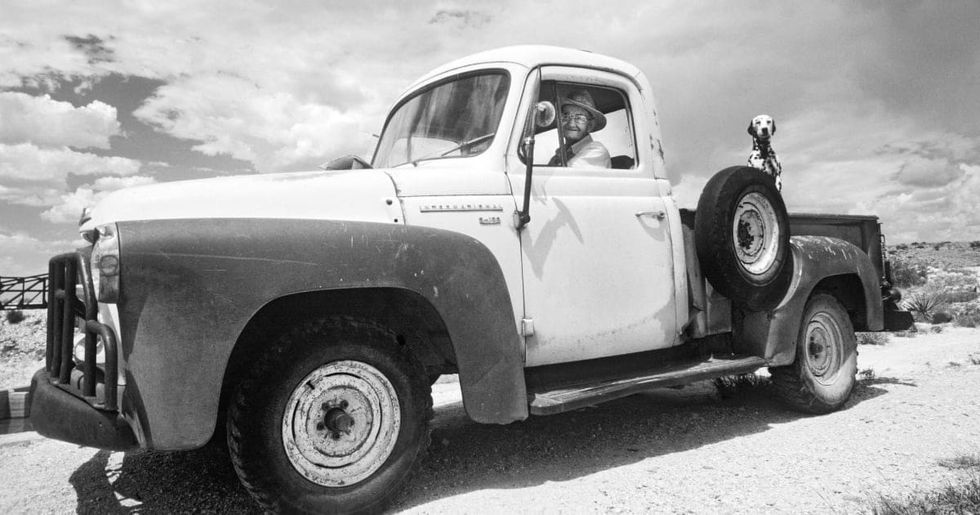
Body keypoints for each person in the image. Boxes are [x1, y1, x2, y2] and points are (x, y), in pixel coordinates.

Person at [548, 89, 611, 168]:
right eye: (565, 116)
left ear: (590, 126)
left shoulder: (596, 151)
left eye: (579, 118)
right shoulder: (561, 153)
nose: (571, 123)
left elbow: (564, 177)